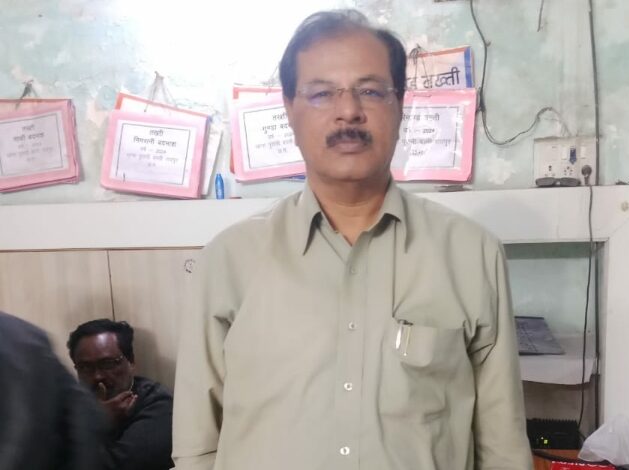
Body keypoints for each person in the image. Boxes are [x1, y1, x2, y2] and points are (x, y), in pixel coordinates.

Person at [172, 9, 532, 470]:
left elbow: (502, 447)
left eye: (371, 90)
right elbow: (197, 447)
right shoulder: (228, 261)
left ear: (400, 105)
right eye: (322, 93)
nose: (348, 111)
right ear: (289, 109)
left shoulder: (472, 254)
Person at [0, 311, 103, 470]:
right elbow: (84, 418)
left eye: (108, 363)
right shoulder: (26, 336)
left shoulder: (18, 338)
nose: (98, 376)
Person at [67, 319, 174, 470]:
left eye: (108, 363)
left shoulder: (157, 403)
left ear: (131, 361)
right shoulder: (72, 406)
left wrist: (94, 423)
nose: (97, 376)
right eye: (85, 367)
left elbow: (117, 466)